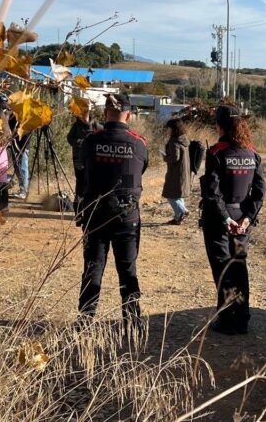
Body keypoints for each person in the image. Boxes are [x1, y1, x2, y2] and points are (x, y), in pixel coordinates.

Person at [77, 93, 148, 324]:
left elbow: (83, 171)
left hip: (95, 214)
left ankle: (85, 319)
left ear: (106, 113)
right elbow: (141, 171)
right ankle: (132, 320)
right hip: (126, 217)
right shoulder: (138, 143)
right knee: (127, 269)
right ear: (129, 114)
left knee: (92, 268)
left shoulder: (91, 141)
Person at [199, 104, 266, 335]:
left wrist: (226, 219)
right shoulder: (253, 153)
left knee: (223, 267)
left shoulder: (216, 153)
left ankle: (227, 318)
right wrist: (247, 218)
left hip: (220, 221)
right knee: (239, 266)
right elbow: (259, 192)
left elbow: (212, 192)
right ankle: (242, 317)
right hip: (243, 219)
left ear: (219, 126)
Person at [160, 118, 191, 225]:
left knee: (170, 195)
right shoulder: (184, 139)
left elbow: (174, 158)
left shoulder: (174, 142)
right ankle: (178, 217)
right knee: (177, 195)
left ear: (174, 129)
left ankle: (182, 211)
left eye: (169, 128)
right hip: (184, 172)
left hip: (176, 173)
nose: (167, 130)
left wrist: (165, 157)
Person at [67, 108, 97, 212]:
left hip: (91, 159)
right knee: (80, 182)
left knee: (90, 182)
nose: (82, 116)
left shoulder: (95, 124)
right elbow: (69, 139)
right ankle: (78, 208)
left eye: (84, 114)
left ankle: (89, 207)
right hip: (78, 158)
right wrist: (80, 142)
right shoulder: (76, 126)